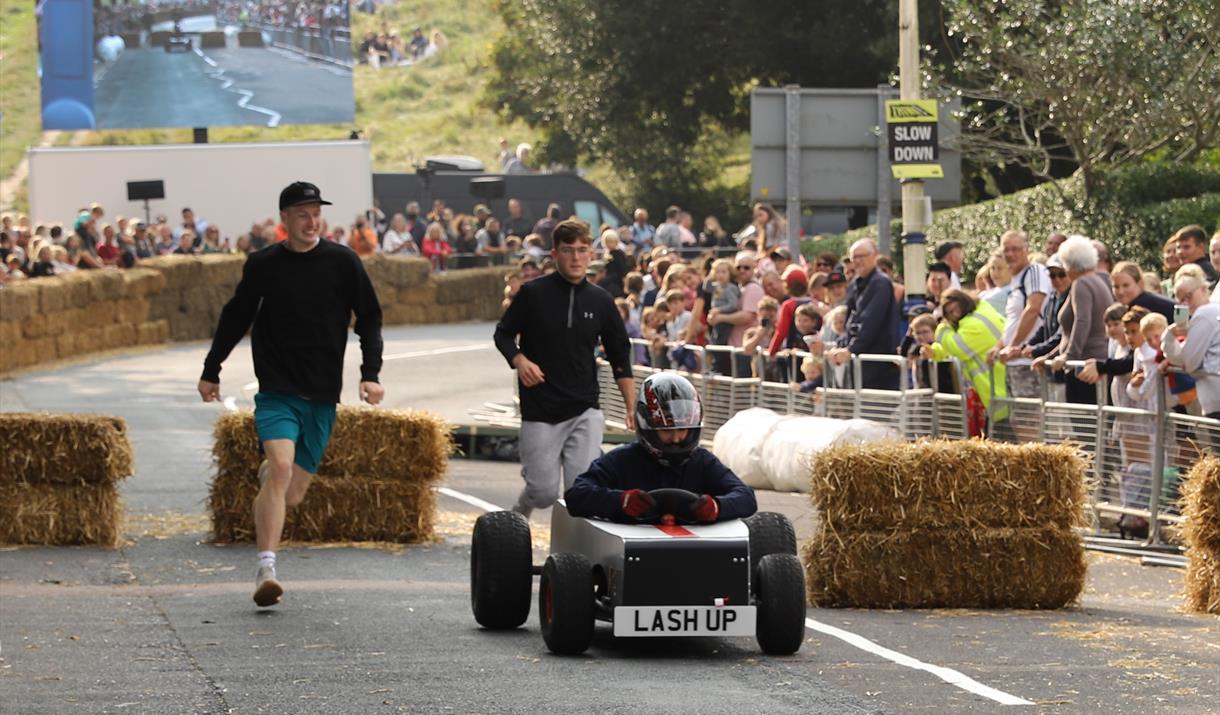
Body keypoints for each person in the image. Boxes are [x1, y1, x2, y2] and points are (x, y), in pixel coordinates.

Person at [197, 182, 384, 608]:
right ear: (284, 218)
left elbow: (370, 317)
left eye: (316, 212)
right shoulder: (263, 265)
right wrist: (212, 370)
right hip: (277, 390)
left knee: (292, 491)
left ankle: (271, 484)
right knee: (280, 468)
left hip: (321, 395)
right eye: (302, 212)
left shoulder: (343, 261)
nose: (311, 220)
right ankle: (267, 569)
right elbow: (236, 315)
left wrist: (370, 373)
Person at [493, 219, 636, 517]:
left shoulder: (601, 301)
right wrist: (520, 361)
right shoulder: (532, 294)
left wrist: (631, 406)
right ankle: (517, 516)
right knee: (543, 493)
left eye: (582, 250)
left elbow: (620, 355)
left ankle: (579, 559)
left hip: (584, 408)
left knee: (580, 494)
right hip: (540, 409)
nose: (575, 257)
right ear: (555, 254)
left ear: (591, 255)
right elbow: (503, 334)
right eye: (568, 250)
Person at [564, 373, 757, 523]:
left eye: (682, 430)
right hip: (628, 552)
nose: (676, 439)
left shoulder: (703, 461)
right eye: (666, 431)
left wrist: (716, 507)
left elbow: (746, 497)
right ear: (646, 426)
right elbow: (576, 495)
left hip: (694, 548)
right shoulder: (622, 460)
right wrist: (620, 501)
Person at [826, 238, 900, 390]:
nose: (858, 261)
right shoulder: (855, 283)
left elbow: (870, 322)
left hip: (878, 362)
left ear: (874, 256)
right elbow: (850, 320)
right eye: (855, 258)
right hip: (859, 361)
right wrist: (841, 346)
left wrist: (850, 349)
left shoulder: (881, 283)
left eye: (862, 256)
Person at [995, 230, 1051, 401]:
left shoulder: (1034, 271)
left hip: (1028, 361)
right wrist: (1000, 347)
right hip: (1015, 362)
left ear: (1027, 249)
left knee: (1029, 420)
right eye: (1007, 250)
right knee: (1020, 421)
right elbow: (1013, 319)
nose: (1011, 254)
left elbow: (1033, 309)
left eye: (1016, 249)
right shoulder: (1015, 279)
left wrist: (1013, 346)